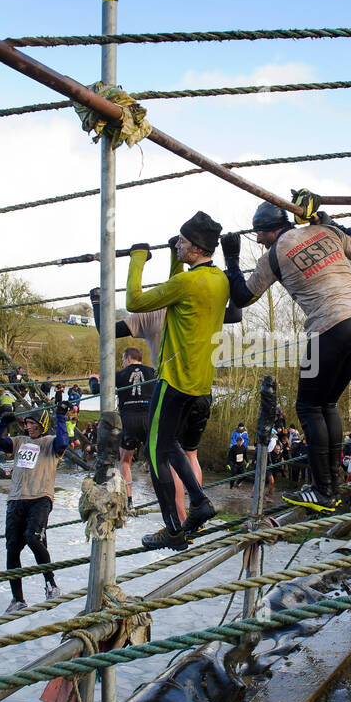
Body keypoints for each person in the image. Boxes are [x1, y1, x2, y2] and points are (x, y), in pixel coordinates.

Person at [222, 204, 351, 513]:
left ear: (270, 231)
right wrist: (328, 221)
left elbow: (243, 296)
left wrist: (231, 260)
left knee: (308, 406)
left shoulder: (273, 256)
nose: (258, 240)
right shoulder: (324, 231)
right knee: (328, 404)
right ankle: (332, 486)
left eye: (259, 233)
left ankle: (323, 489)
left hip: (329, 328)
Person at [126, 212, 229, 550]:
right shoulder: (219, 280)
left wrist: (137, 259)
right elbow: (176, 298)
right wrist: (173, 256)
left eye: (182, 242)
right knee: (170, 444)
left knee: (156, 453)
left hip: (173, 379)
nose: (179, 244)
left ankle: (173, 529)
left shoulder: (187, 283)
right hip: (200, 382)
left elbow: (135, 301)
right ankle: (199, 502)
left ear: (197, 248)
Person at [0, 405, 69, 612]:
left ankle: (51, 584)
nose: (28, 427)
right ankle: (18, 599)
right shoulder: (19, 442)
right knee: (12, 548)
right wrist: (3, 423)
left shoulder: (49, 443)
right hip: (16, 499)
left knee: (33, 537)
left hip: (40, 497)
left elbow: (63, 442)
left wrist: (60, 416)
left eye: (32, 423)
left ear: (41, 425)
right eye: (26, 423)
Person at [116, 346, 157, 509]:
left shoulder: (120, 374)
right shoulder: (153, 372)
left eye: (122, 360)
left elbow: (96, 389)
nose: (122, 363)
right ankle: (164, 498)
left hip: (129, 419)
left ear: (128, 358)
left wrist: (93, 379)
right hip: (148, 419)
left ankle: (129, 501)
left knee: (125, 461)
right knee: (156, 461)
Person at [228, 422, 250, 488]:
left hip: (241, 462)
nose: (241, 428)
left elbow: (246, 440)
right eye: (240, 426)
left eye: (242, 427)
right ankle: (231, 486)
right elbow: (233, 439)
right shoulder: (235, 432)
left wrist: (247, 462)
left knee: (244, 475)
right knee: (233, 476)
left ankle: (237, 483)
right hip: (234, 461)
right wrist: (228, 464)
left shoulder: (245, 433)